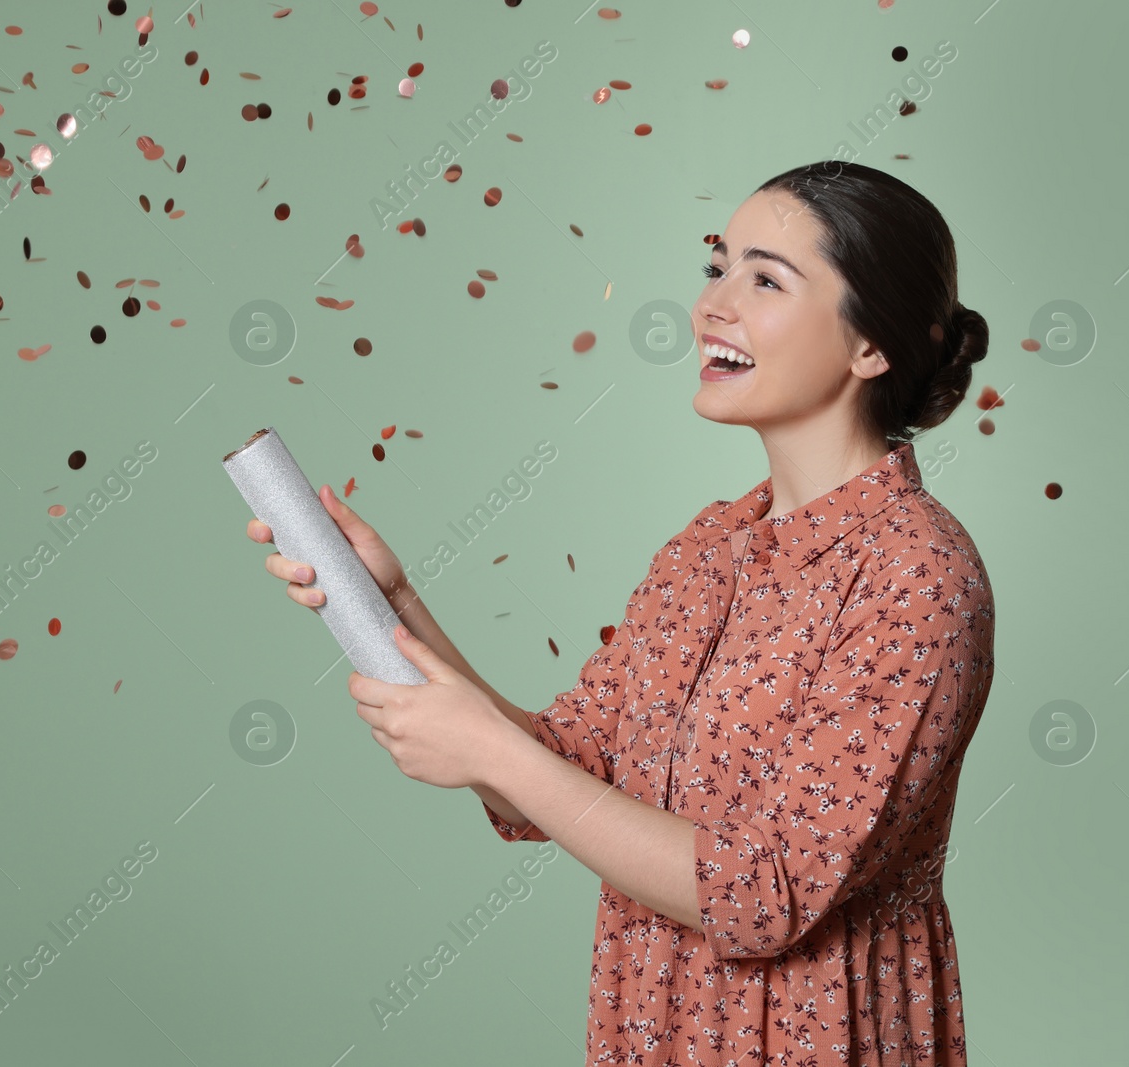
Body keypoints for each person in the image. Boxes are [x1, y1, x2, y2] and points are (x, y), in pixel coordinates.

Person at [246, 159, 995, 1066]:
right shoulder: (706, 548)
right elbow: (564, 771)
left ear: (868, 344)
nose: (713, 303)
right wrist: (389, 599)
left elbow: (764, 894)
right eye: (716, 266)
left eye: (764, 278)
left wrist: (489, 749)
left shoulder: (917, 575)